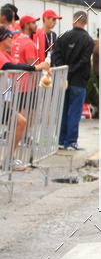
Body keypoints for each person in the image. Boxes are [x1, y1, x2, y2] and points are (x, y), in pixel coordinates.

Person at [0, 26, 50, 170]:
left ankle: (8, 160)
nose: (13, 40)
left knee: (20, 122)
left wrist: (40, 66)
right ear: (2, 38)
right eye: (10, 37)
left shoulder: (4, 54)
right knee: (20, 121)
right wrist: (36, 68)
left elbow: (17, 64)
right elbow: (9, 66)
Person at [51, 11, 95, 150]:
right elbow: (84, 60)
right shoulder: (88, 40)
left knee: (63, 111)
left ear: (73, 20)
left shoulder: (63, 36)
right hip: (78, 81)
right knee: (75, 112)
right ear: (86, 22)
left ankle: (61, 140)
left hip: (62, 79)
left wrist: (63, 70)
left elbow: (55, 55)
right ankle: (71, 142)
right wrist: (72, 70)